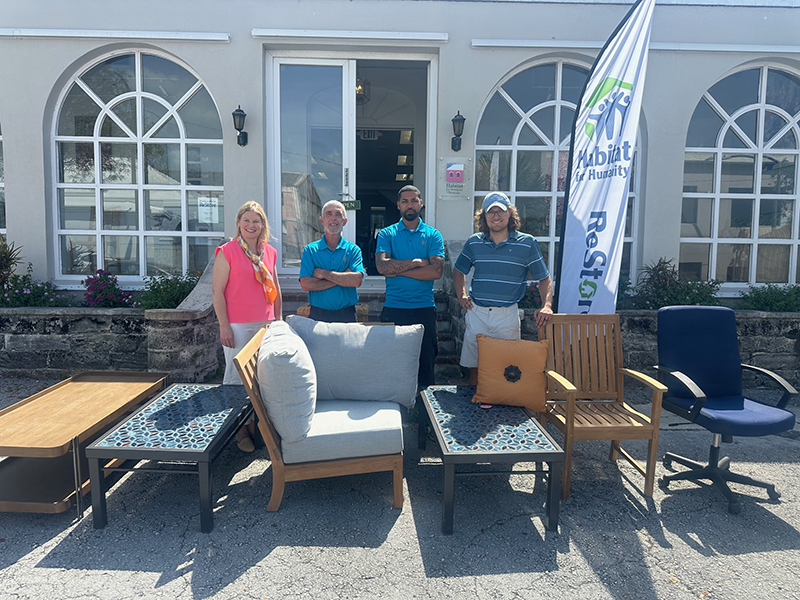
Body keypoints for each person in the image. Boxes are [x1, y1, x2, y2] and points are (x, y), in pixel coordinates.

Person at [454, 191, 553, 385]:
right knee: (475, 369)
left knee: (507, 371)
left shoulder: (527, 243)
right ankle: (474, 403)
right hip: (478, 313)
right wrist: (461, 295)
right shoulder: (474, 242)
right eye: (491, 212)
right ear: (484, 216)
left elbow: (544, 278)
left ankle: (500, 405)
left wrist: (546, 305)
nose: (496, 216)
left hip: (507, 316)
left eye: (500, 211)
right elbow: (458, 271)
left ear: (510, 213)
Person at [212, 201, 282, 451]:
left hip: (266, 325)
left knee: (262, 378)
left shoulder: (269, 252)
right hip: (238, 326)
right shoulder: (227, 251)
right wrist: (224, 326)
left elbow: (276, 290)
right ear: (239, 223)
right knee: (236, 379)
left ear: (263, 225)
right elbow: (217, 292)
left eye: (256, 221)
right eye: (247, 220)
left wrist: (278, 322)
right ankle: (238, 430)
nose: (251, 225)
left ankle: (256, 426)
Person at [376, 185, 444, 388]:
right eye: (405, 201)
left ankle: (423, 407)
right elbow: (382, 267)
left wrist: (396, 269)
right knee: (392, 364)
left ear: (421, 203)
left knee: (425, 365)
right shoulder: (387, 234)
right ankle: (396, 406)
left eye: (414, 200)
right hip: (394, 307)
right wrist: (416, 263)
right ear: (398, 205)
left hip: (424, 308)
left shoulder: (433, 235)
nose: (410, 205)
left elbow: (436, 271)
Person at [299, 200, 365, 323]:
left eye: (338, 214)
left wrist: (324, 274)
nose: (333, 218)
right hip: (318, 316)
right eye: (329, 214)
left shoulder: (353, 250)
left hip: (346, 316)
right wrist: (343, 278)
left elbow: (356, 280)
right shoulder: (311, 250)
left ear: (344, 221)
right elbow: (306, 284)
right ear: (322, 221)